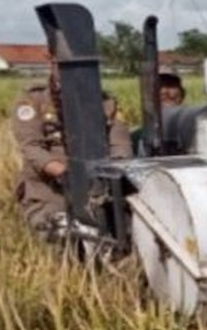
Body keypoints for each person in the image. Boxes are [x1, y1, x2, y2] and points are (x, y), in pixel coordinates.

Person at [11, 72, 132, 240]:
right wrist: (66, 173)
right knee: (59, 236)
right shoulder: (33, 100)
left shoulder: (107, 103)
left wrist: (111, 174)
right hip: (50, 189)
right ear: (51, 59)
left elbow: (120, 146)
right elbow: (32, 147)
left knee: (128, 231)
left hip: (101, 185)